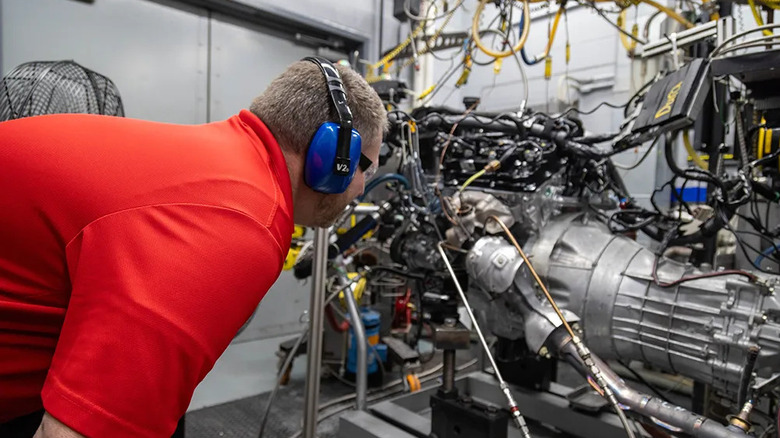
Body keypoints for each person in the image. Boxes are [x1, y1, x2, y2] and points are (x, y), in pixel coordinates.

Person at [0, 58, 387, 438]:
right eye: (366, 168)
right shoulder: (241, 222)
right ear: (334, 156)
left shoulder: (226, 159)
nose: (362, 188)